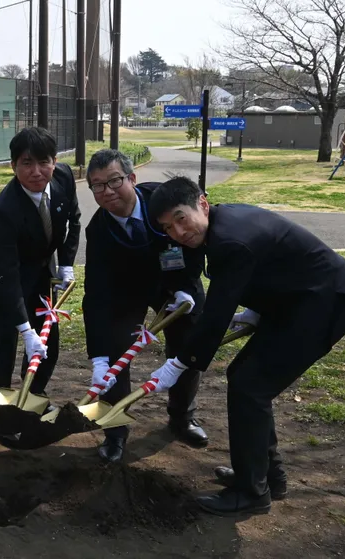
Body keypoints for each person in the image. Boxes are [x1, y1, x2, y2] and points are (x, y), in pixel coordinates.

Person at [146, 176, 345, 516]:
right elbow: (270, 261)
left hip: (325, 303)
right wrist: (257, 310)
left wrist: (178, 363)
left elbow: (216, 315)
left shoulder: (230, 240)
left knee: (250, 386)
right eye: (168, 228)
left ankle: (252, 492)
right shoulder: (221, 225)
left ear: (202, 203)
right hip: (298, 299)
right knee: (245, 378)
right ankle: (265, 476)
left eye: (180, 218)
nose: (178, 231)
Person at [83, 150, 208, 464]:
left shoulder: (160, 201)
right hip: (128, 291)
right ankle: (115, 431)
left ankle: (182, 418)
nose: (107, 191)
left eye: (114, 181)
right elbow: (97, 294)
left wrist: (184, 285)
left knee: (188, 345)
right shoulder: (98, 231)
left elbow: (193, 240)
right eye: (97, 186)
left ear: (132, 178)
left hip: (174, 283)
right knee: (115, 355)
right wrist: (99, 355)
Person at [0, 126, 81, 405]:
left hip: (43, 268)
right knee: (6, 341)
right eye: (26, 163)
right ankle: (1, 409)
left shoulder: (65, 177)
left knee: (48, 338)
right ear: (13, 166)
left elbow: (74, 220)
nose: (36, 171)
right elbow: (7, 274)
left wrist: (66, 264)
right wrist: (24, 328)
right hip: (2, 274)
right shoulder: (4, 210)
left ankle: (33, 395)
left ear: (54, 162)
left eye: (44, 162)